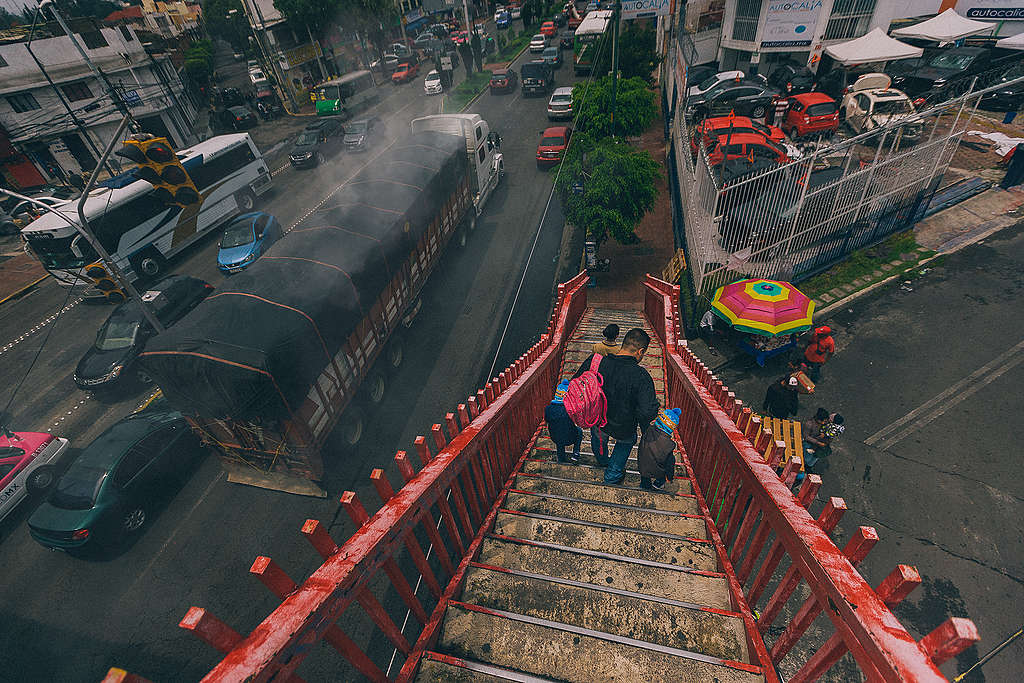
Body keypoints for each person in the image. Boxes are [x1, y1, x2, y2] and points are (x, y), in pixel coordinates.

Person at [573, 328, 660, 485]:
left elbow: (576, 383)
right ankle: (612, 474)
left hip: (598, 419)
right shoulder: (641, 376)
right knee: (627, 442)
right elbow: (647, 412)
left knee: (598, 438)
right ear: (640, 351)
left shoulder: (596, 362)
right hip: (624, 427)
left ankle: (602, 460)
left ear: (623, 344)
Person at [638, 408, 680, 491]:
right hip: (657, 471)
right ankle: (658, 484)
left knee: (645, 471)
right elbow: (669, 465)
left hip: (642, 465)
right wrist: (669, 477)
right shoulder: (669, 444)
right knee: (670, 460)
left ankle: (644, 485)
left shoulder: (648, 430)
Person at [544, 379, 581, 463]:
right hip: (570, 438)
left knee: (558, 433)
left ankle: (561, 459)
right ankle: (576, 452)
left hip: (555, 437)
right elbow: (577, 420)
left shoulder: (548, 409)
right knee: (579, 431)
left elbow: (547, 420)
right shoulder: (570, 410)